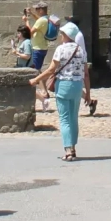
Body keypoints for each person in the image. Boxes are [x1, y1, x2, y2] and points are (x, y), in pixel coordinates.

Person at [29, 22, 86, 160]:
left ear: (66, 35)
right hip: (77, 85)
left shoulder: (60, 49)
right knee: (73, 118)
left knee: (64, 119)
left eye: (62, 34)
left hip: (64, 85)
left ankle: (68, 150)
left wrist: (36, 79)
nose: (61, 36)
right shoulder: (81, 50)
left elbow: (51, 70)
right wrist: (88, 94)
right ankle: (73, 147)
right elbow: (86, 73)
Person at [25, 2, 51, 70]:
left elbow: (29, 33)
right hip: (42, 47)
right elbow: (38, 19)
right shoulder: (45, 19)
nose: (35, 10)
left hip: (37, 49)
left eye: (36, 9)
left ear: (41, 10)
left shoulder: (41, 21)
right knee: (37, 69)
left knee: (34, 71)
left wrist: (26, 21)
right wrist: (31, 13)